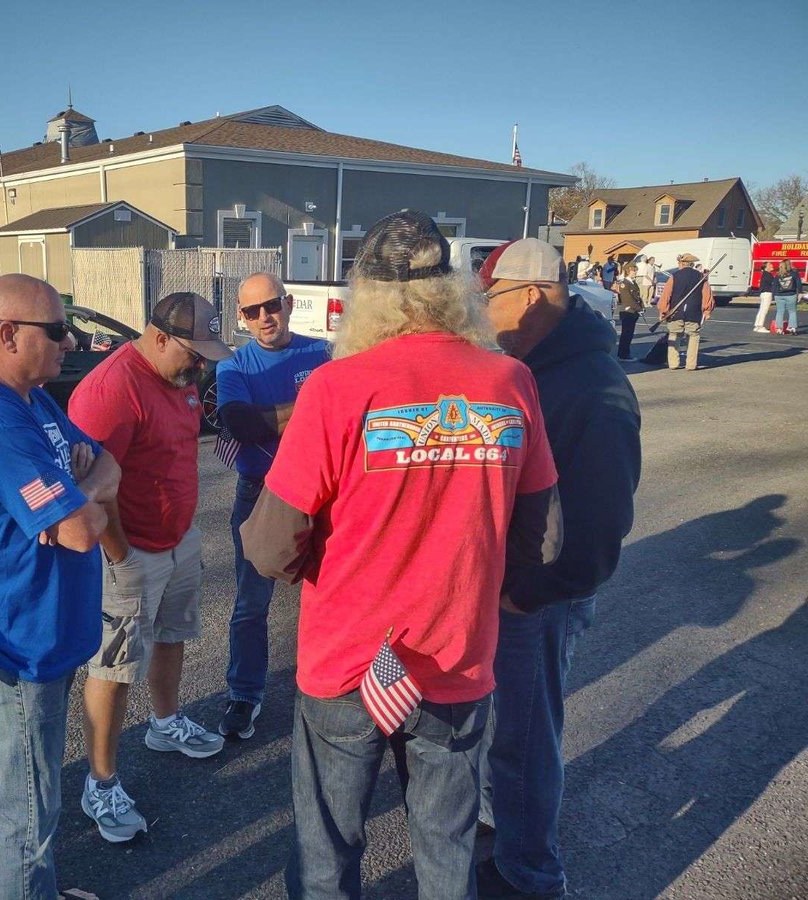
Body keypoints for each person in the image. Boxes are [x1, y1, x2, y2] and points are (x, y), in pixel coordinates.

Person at [242, 210, 563, 900]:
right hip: (457, 651)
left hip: (346, 656)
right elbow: (544, 536)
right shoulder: (509, 382)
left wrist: (317, 566)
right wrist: (487, 591)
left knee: (328, 848)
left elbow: (270, 545)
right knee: (446, 847)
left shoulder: (336, 388)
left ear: (368, 295)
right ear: (452, 288)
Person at [0, 274, 122, 900]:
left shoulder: (32, 401)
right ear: (7, 333)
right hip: (14, 638)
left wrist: (79, 493)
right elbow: (79, 533)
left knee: (39, 787)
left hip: (47, 627)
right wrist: (79, 500)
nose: (70, 341)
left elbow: (109, 466)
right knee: (27, 804)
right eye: (57, 330)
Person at [476, 238, 641, 900]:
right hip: (525, 587)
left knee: (525, 740)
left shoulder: (590, 383)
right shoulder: (543, 369)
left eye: (492, 300)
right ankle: (506, 824)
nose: (485, 315)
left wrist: (534, 591)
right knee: (510, 733)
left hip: (539, 597)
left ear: (534, 296)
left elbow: (603, 517)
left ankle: (531, 876)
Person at [67, 292, 233, 843]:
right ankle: (101, 780)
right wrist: (118, 553)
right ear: (158, 336)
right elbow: (88, 491)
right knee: (113, 668)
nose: (202, 366)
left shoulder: (178, 378)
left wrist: (183, 530)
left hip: (178, 538)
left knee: (172, 635)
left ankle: (164, 724)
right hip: (130, 550)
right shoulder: (111, 390)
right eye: (194, 352)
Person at [214, 273, 330, 741]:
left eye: (272, 305)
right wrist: (313, 405)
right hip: (260, 492)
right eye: (251, 311)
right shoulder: (233, 364)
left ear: (289, 302)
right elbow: (239, 422)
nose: (265, 317)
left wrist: (276, 418)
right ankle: (244, 693)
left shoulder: (320, 352)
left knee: (332, 595)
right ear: (242, 318)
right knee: (250, 604)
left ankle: (333, 691)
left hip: (323, 490)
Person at [658, 252, 714, 371]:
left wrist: (663, 311)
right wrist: (707, 310)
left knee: (674, 335)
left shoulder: (675, 276)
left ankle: (673, 363)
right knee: (693, 336)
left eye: (679, 262)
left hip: (676, 312)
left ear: (683, 263)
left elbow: (666, 295)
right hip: (694, 311)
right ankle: (691, 364)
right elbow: (707, 295)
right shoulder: (701, 277)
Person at [614, 263, 644, 360]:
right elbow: (628, 299)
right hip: (628, 311)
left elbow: (637, 297)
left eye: (636, 270)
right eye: (634, 270)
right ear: (628, 271)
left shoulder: (633, 283)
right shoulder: (624, 283)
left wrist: (642, 306)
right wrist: (638, 308)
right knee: (626, 335)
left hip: (633, 312)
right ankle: (623, 355)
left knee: (629, 335)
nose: (635, 272)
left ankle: (625, 353)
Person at [772, 260, 802, 335]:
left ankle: (779, 328)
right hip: (791, 295)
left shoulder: (778, 274)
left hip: (779, 295)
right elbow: (798, 283)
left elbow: (774, 285)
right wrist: (800, 293)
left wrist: (773, 296)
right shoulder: (794, 273)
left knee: (780, 312)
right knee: (792, 311)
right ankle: (792, 328)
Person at [754, 261, 776, 333]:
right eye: (770, 265)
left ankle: (757, 325)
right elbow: (773, 283)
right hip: (767, 293)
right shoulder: (768, 275)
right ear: (766, 267)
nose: (772, 265)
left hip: (764, 293)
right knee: (764, 310)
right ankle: (760, 326)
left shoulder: (765, 274)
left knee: (761, 309)